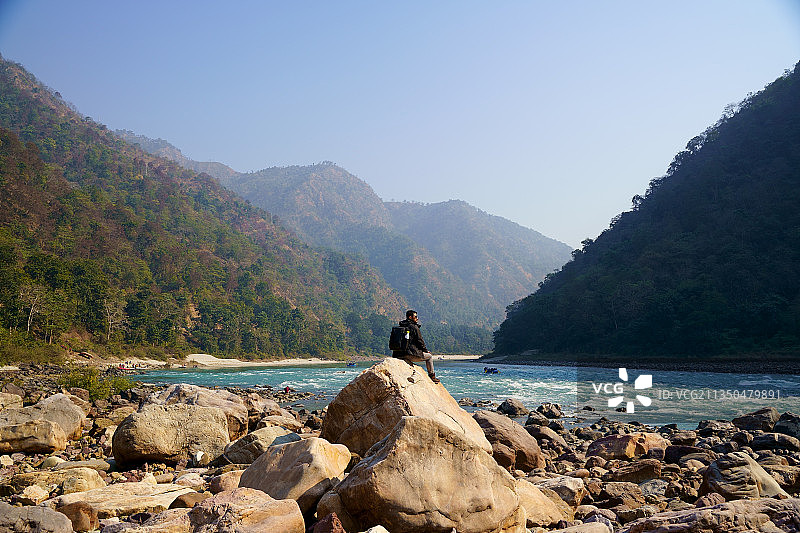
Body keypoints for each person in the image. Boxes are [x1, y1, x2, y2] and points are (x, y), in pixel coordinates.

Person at [392, 309, 440, 383]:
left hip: (398, 354)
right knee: (429, 357)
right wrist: (426, 351)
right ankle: (432, 376)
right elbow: (420, 341)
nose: (417, 318)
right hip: (410, 354)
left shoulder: (401, 326)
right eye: (415, 317)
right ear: (410, 317)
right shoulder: (414, 327)